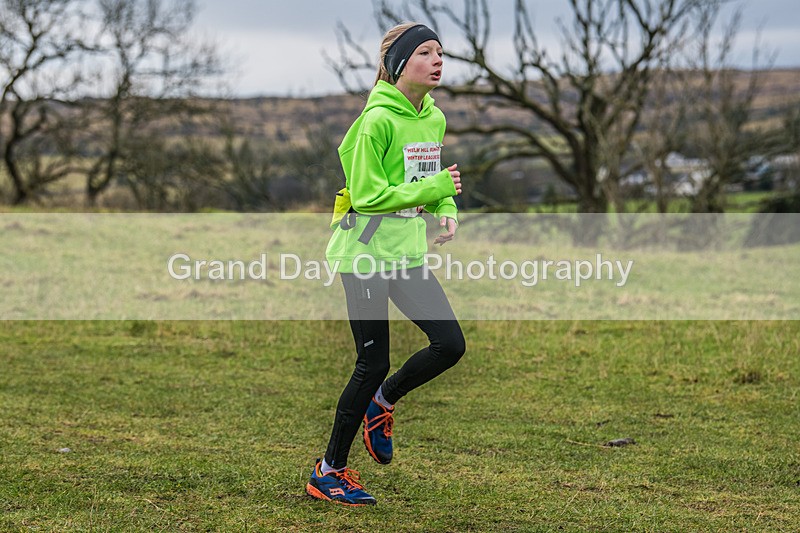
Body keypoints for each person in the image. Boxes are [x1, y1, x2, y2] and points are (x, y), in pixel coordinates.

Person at [305, 22, 466, 506]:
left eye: (441, 53)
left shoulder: (431, 119)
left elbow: (425, 176)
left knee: (450, 344)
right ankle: (328, 471)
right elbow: (372, 197)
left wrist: (445, 210)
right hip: (364, 255)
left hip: (406, 254)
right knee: (371, 362)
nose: (437, 60)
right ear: (399, 64)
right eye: (425, 52)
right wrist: (437, 190)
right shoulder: (374, 122)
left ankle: (384, 402)